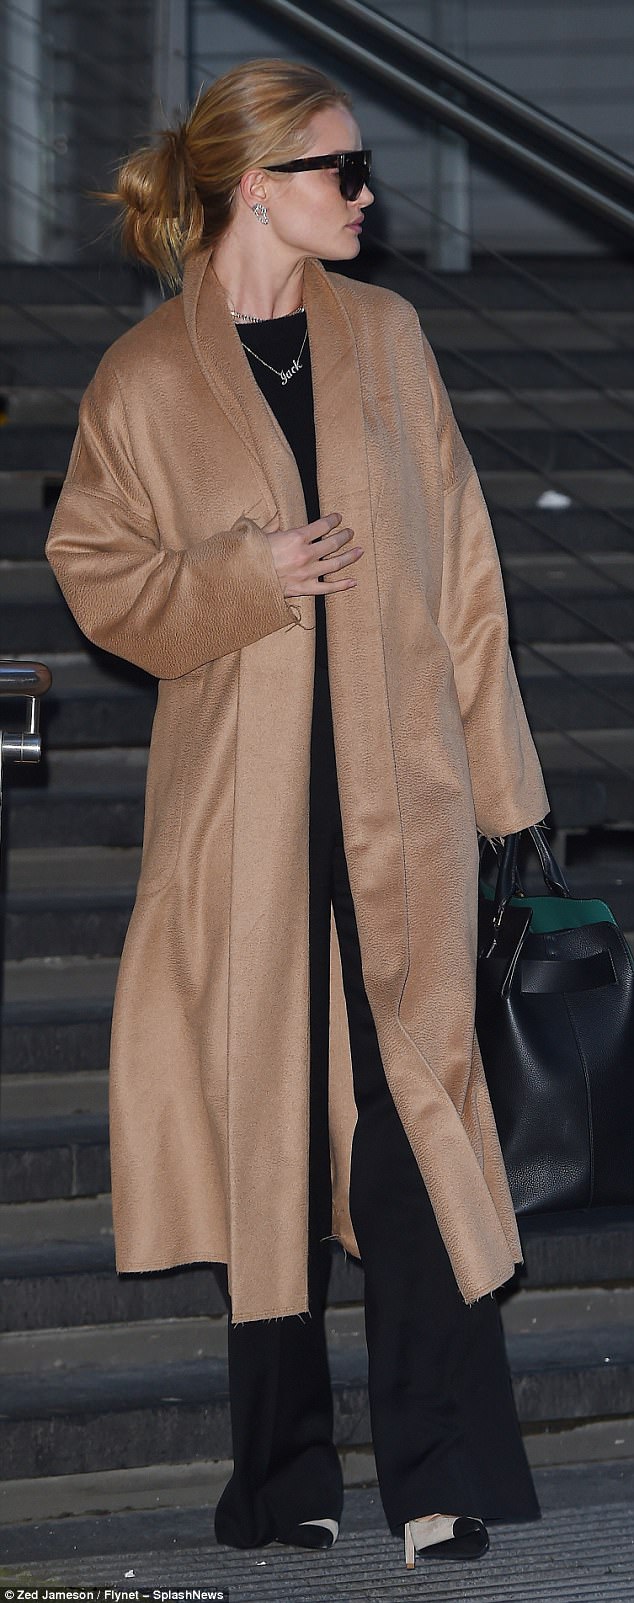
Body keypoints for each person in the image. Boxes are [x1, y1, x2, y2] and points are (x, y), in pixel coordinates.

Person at [45, 57, 550, 1570]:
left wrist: (506, 797)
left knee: (413, 1131)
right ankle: (282, 1480)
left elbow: (466, 569)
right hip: (248, 830)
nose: (366, 195)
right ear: (257, 187)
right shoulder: (144, 377)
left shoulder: (385, 337)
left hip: (405, 808)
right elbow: (96, 575)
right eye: (341, 169)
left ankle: (437, 1476)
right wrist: (242, 578)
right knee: (271, 1142)